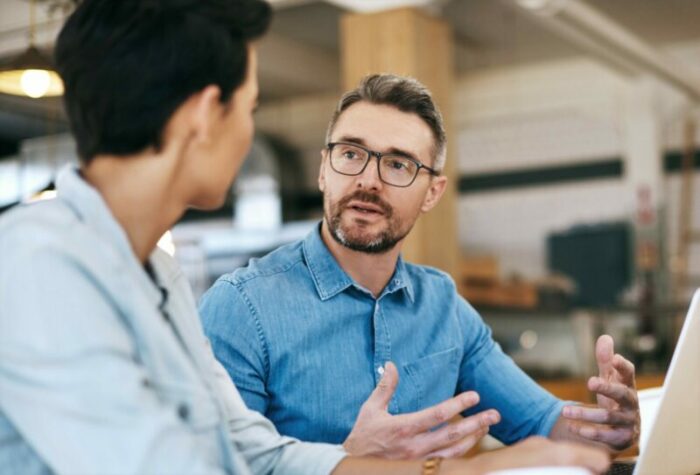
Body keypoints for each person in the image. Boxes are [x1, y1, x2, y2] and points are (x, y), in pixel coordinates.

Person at [0, 1, 611, 474]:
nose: (248, 135)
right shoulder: (35, 264)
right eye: (250, 107)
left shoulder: (155, 275)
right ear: (204, 117)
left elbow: (255, 455)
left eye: (398, 165)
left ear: (432, 190)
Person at [199, 73, 641, 458]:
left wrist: (608, 429)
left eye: (398, 164)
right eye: (351, 154)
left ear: (432, 192)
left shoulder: (443, 307)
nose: (368, 180)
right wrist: (349, 461)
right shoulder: (240, 308)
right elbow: (208, 466)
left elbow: (544, 423)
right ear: (323, 170)